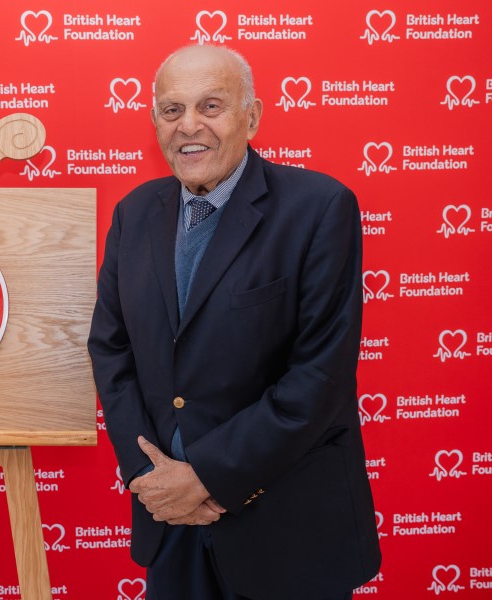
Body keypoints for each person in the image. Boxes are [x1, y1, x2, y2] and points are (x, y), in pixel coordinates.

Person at [87, 45, 381, 600]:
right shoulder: (132, 213)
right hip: (170, 524)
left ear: (253, 115)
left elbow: (320, 377)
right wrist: (152, 480)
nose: (189, 125)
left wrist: (206, 476)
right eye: (171, 110)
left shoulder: (319, 208)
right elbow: (111, 349)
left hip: (287, 531)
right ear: (155, 122)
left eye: (212, 105)